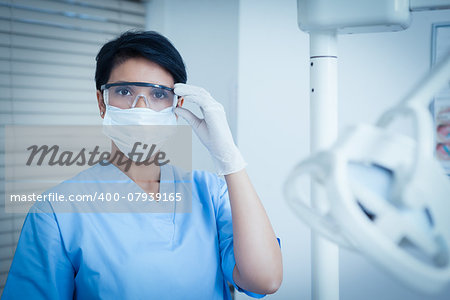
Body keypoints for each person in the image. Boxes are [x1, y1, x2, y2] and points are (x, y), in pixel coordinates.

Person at [2, 30, 282, 299]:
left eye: (159, 94)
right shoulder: (57, 211)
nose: (140, 108)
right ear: (102, 102)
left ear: (177, 105)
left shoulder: (210, 192)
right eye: (124, 92)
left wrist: (230, 160)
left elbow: (265, 279)